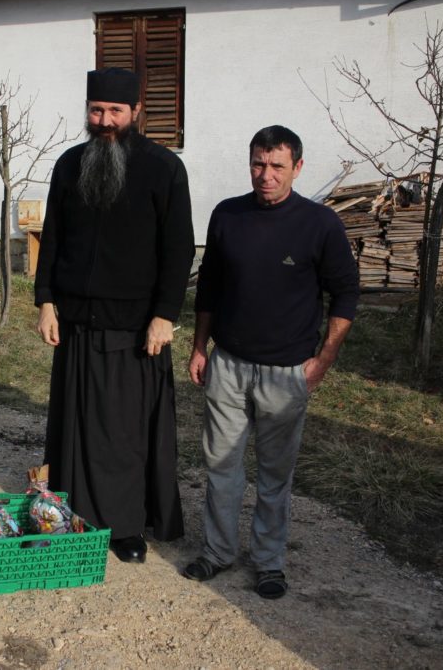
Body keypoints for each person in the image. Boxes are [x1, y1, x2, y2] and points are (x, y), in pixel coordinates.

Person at [182, 125, 360, 598]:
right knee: (221, 465)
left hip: (287, 370)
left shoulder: (319, 224)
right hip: (229, 363)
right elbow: (210, 288)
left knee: (274, 474)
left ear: (297, 168)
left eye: (277, 166)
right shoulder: (228, 214)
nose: (266, 175)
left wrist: (322, 360)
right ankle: (217, 552)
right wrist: (200, 347)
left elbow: (345, 294)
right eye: (258, 164)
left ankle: (268, 561)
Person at [35, 68, 195, 564]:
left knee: (125, 437)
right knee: (76, 426)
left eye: (115, 112)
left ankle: (126, 528)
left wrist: (165, 315)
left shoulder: (163, 168)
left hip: (134, 329)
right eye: (97, 111)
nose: (105, 121)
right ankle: (74, 514)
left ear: (136, 112)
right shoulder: (69, 164)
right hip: (78, 323)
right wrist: (45, 301)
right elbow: (53, 238)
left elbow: (179, 248)